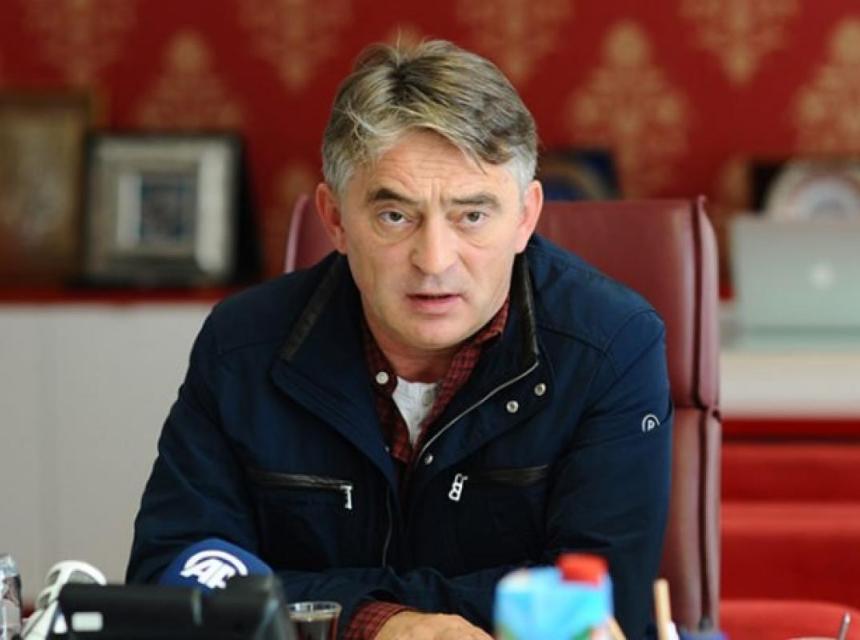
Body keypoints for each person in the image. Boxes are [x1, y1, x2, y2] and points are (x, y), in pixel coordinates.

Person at [127, 39, 672, 640]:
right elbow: (171, 579)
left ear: (525, 217)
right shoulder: (241, 346)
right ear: (335, 219)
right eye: (395, 216)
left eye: (472, 216)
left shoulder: (610, 346)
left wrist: (330, 606)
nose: (434, 260)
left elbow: (600, 604)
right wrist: (384, 624)